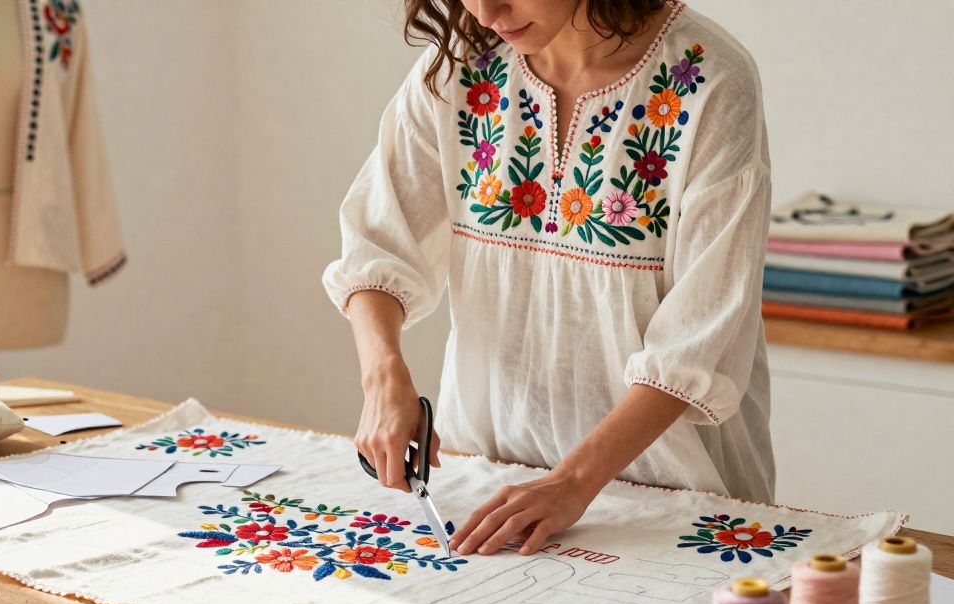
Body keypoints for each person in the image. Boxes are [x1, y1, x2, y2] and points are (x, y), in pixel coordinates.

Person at [323, 0, 773, 557]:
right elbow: (378, 243)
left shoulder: (709, 78)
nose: (487, 12)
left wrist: (574, 482)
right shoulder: (461, 69)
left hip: (669, 505)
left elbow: (698, 339)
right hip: (488, 485)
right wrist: (382, 377)